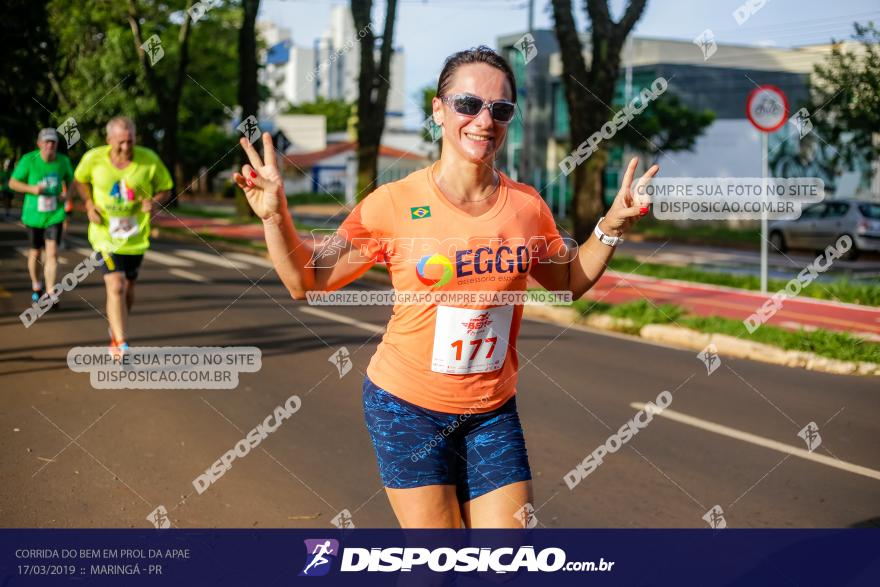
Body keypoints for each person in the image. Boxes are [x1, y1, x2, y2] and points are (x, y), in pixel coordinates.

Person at [234, 46, 658, 528]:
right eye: (467, 104)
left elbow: (567, 281)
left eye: (500, 109)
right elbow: (305, 280)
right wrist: (275, 215)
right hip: (407, 407)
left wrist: (613, 224)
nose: (484, 120)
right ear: (438, 110)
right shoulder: (393, 203)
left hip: (491, 410)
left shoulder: (526, 206)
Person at [73, 116, 172, 357]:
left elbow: (166, 188)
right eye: (121, 142)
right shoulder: (93, 158)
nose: (126, 147)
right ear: (109, 140)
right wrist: (88, 203)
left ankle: (116, 328)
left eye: (130, 141)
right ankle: (121, 342)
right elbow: (80, 180)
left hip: (135, 237)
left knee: (128, 288)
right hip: (105, 235)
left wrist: (155, 202)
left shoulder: (149, 159)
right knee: (115, 285)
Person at [8, 128, 75, 304]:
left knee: (52, 253)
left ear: (57, 144)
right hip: (33, 215)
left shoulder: (63, 161)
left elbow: (72, 181)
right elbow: (13, 183)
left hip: (55, 214)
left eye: (53, 142)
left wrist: (66, 196)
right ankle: (37, 285)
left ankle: (51, 292)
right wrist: (32, 189)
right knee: (35, 252)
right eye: (46, 142)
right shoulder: (28, 160)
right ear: (39, 144)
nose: (49, 145)